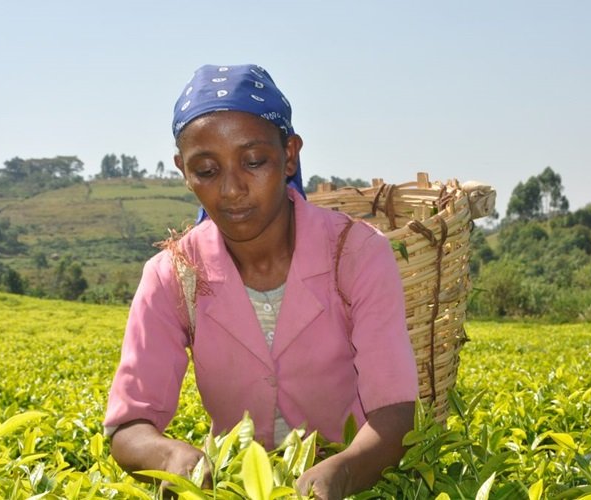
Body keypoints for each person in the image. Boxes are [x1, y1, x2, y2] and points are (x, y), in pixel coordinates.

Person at [104, 64, 418, 499]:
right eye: (207, 171)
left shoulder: (357, 254)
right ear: (183, 170)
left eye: (253, 162)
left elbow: (395, 411)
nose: (232, 190)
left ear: (290, 154)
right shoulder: (172, 275)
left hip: (355, 479)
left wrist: (344, 471)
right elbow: (128, 423)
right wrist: (170, 458)